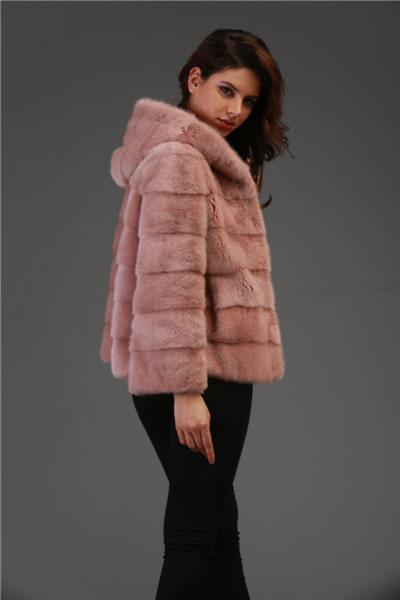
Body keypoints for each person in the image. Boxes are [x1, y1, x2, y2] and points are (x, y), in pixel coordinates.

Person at [100, 28, 291, 600]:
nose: (236, 110)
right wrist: (188, 390)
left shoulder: (178, 154)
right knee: (191, 541)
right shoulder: (182, 159)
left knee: (217, 537)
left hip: (170, 371)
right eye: (227, 91)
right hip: (203, 374)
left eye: (249, 100)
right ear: (194, 78)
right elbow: (172, 279)